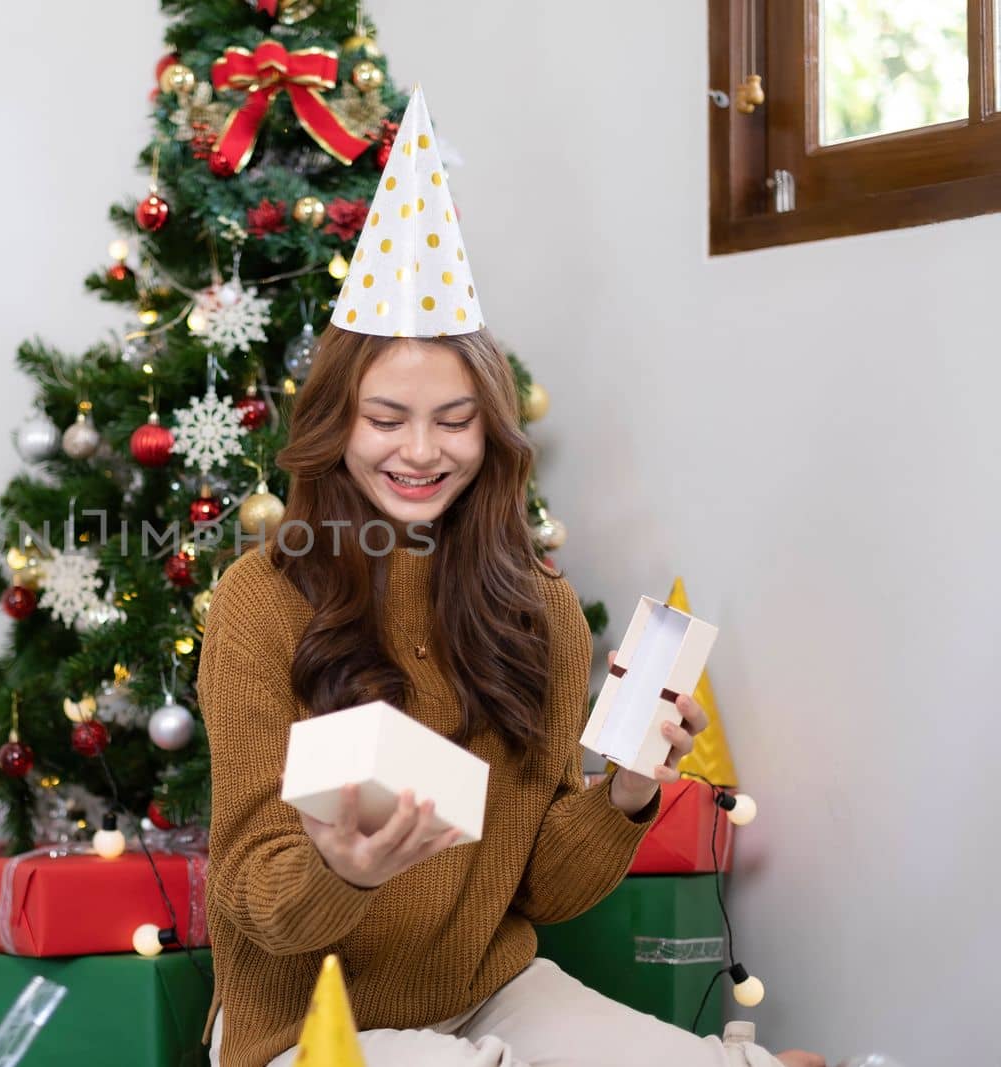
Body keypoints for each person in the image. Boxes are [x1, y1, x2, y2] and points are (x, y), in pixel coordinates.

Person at [194, 88, 826, 1067]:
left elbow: (543, 889)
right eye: (385, 417)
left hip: (490, 990)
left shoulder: (536, 608)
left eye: (452, 419)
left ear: (489, 432)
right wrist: (338, 866)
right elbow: (254, 896)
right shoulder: (262, 596)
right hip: (301, 1015)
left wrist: (624, 789)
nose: (419, 450)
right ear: (335, 425)